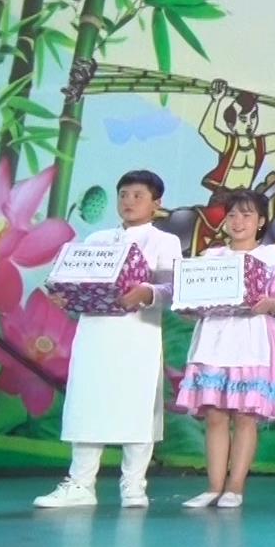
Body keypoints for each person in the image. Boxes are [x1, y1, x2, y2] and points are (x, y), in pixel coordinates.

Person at [35, 170, 182, 509]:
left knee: (137, 408)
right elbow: (76, 281)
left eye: (138, 196)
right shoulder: (96, 240)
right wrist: (63, 296)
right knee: (88, 404)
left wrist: (147, 292)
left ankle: (134, 487)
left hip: (138, 335)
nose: (128, 201)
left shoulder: (164, 241)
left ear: (156, 203)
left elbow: (173, 288)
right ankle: (80, 484)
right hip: (94, 333)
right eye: (123, 195)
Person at [177, 189, 275, 509]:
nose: (238, 221)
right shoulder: (210, 259)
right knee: (215, 416)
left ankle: (235, 488)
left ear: (261, 221)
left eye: (246, 215)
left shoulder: (273, 261)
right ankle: (213, 487)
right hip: (213, 341)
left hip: (251, 341)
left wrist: (268, 303)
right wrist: (187, 306)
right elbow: (192, 300)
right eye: (232, 215)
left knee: (245, 416)